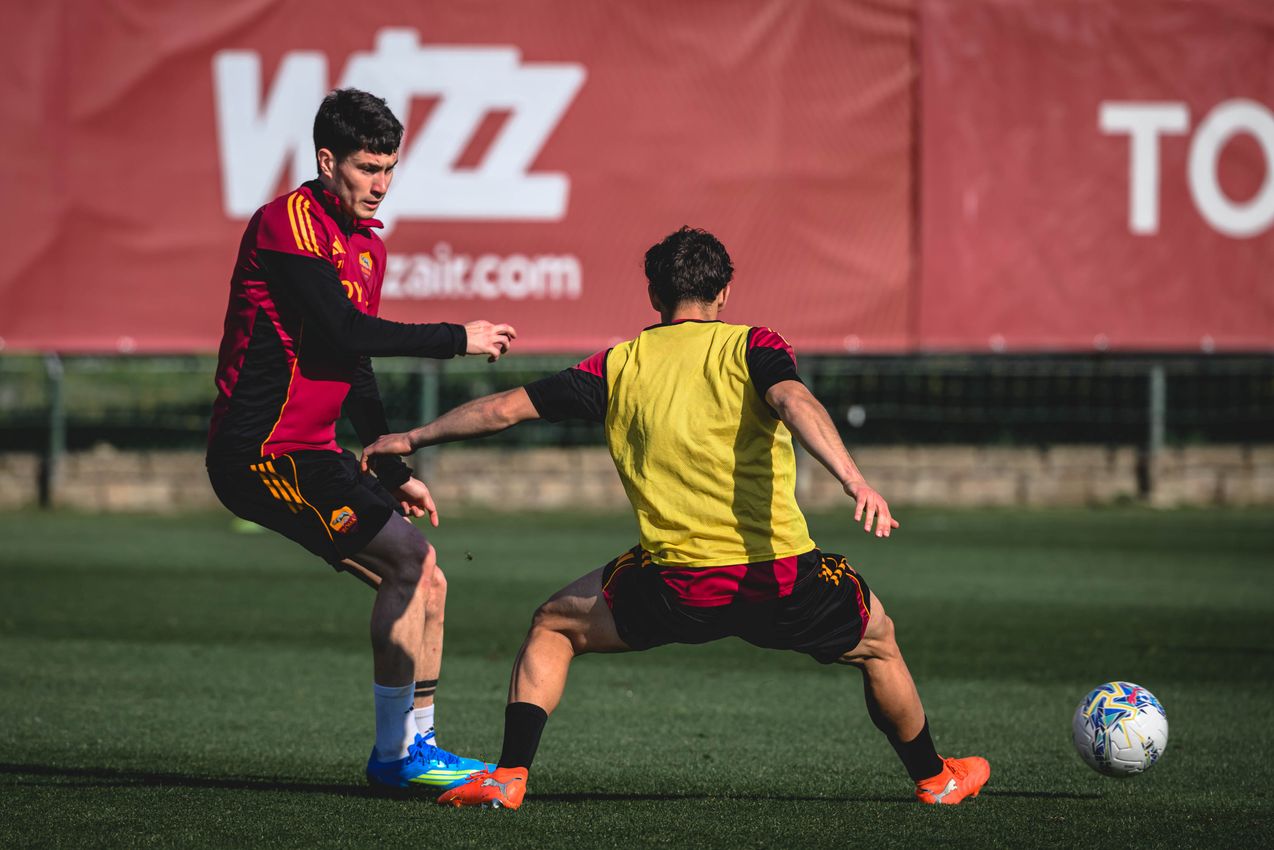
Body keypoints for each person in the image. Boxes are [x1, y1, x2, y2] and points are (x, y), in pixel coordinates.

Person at [361, 226, 990, 808]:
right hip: (782, 578)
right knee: (879, 645)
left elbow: (504, 410)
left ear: (655, 294)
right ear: (724, 291)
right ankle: (935, 778)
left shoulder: (618, 364)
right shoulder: (753, 345)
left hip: (676, 586)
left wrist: (412, 439)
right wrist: (853, 478)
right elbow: (793, 398)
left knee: (553, 626)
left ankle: (508, 777)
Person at [206, 88, 515, 791]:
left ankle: (418, 748)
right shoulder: (287, 224)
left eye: (389, 168)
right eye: (368, 168)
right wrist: (455, 339)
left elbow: (353, 361)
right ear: (327, 160)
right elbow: (346, 331)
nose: (381, 184)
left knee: (429, 575)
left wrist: (388, 460)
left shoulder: (368, 248)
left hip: (313, 452)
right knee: (410, 562)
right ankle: (394, 758)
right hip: (260, 454)